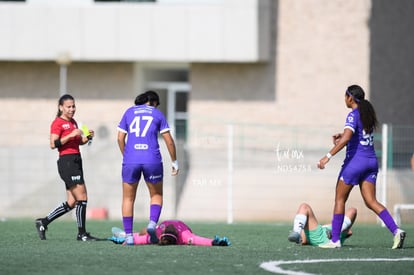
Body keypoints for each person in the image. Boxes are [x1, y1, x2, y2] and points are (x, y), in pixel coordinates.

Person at [317, 85, 406, 249]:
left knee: (339, 199)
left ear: (350, 98)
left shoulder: (352, 114)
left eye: (345, 97)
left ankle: (335, 240)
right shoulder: (367, 115)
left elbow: (346, 139)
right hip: (371, 162)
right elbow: (356, 137)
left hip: (355, 163)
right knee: (371, 201)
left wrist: (327, 157)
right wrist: (342, 134)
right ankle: (396, 230)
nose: (344, 100)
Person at [117, 90, 179, 245]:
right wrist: (174, 162)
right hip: (152, 159)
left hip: (131, 159)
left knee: (128, 198)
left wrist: (127, 155)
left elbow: (119, 138)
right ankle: (152, 224)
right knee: (156, 195)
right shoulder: (157, 114)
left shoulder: (129, 112)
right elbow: (169, 141)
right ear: (154, 103)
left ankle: (129, 236)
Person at [35, 94, 99, 241]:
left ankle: (43, 222)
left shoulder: (74, 122)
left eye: (73, 106)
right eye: (68, 107)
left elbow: (79, 142)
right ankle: (81, 234)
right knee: (82, 197)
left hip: (76, 159)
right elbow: (53, 144)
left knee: (72, 202)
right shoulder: (57, 123)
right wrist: (70, 135)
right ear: (61, 107)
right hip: (67, 161)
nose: (72, 109)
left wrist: (87, 137)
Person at [108, 220, 230, 246]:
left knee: (144, 234)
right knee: (145, 235)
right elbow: (200, 240)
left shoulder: (158, 233)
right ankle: (127, 235)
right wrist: (215, 242)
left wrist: (127, 240)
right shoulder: (184, 236)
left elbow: (142, 238)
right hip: (182, 227)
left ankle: (127, 234)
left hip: (156, 229)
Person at [288, 203, 356, 246]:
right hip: (322, 235)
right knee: (352, 211)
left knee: (304, 207)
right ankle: (297, 233)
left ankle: (296, 231)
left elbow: (350, 232)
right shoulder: (341, 225)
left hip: (320, 235)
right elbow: (349, 232)